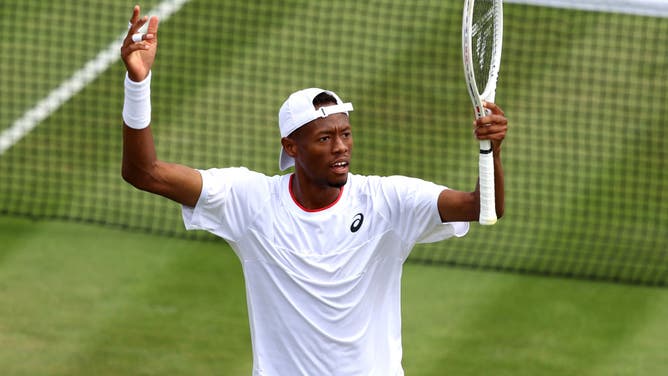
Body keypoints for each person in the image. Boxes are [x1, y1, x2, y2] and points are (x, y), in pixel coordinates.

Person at [120, 5, 508, 376]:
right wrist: (138, 83)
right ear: (292, 147)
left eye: (345, 133)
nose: (341, 146)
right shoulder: (250, 202)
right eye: (324, 137)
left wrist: (493, 150)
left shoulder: (388, 202)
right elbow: (145, 173)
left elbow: (481, 207)